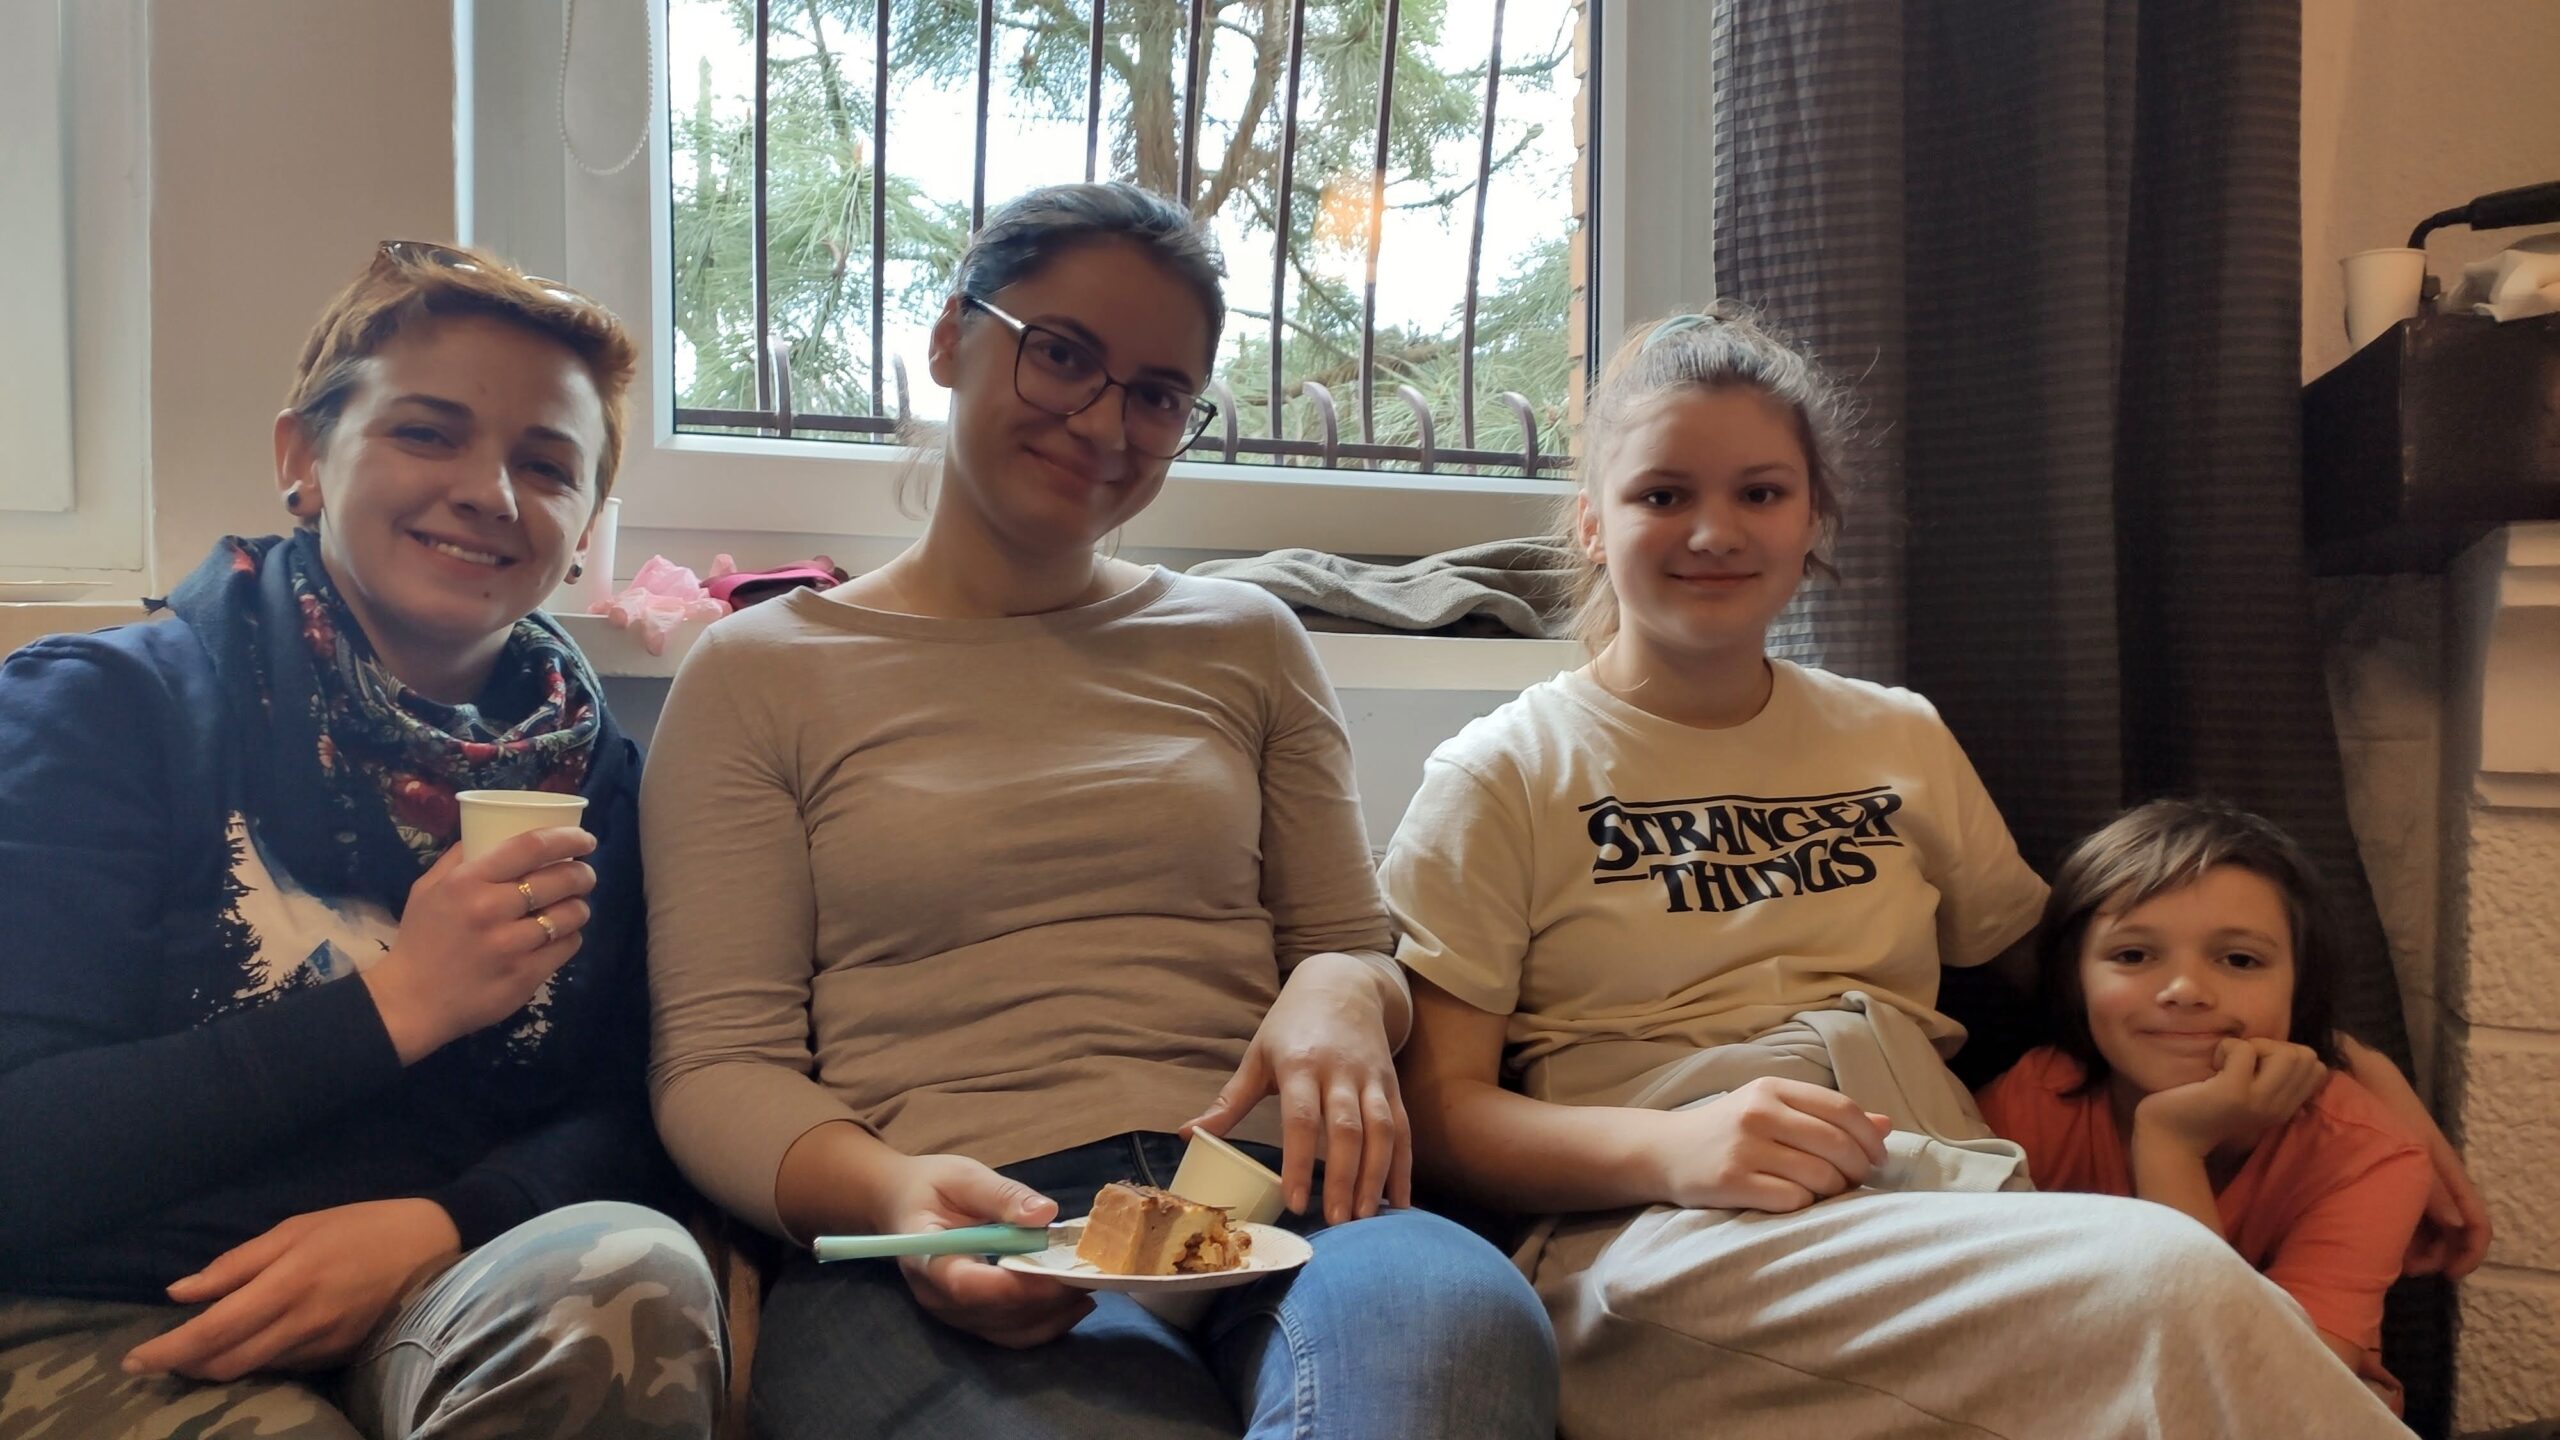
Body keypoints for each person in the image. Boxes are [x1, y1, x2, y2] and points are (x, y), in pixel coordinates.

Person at [1382, 303, 2466, 1438]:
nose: (1713, 531)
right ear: (1593, 525)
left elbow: (2089, 968)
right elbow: (1441, 1112)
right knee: (2169, 1277)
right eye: (1662, 495)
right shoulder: (1504, 771)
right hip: (1664, 1234)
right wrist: (1673, 1147)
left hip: (1945, 1197)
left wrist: (2357, 1076)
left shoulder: (1895, 735)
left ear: (1813, 519)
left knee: (2164, 1311)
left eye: (1760, 493)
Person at [642, 181, 1556, 1440]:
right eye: (1062, 355)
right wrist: (896, 1197)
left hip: (1284, 1203)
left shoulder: (1248, 639)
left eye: (1158, 394)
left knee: (1458, 1337)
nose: (1103, 422)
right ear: (951, 338)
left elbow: (1348, 950)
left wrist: (1348, 987)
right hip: (964, 1228)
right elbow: (717, 1063)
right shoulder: (757, 673)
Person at [0, 241, 722, 1439]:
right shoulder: (101, 709)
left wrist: (445, 1225)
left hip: (442, 1281)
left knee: (633, 1282)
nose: (490, 493)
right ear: (302, 459)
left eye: (546, 465)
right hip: (122, 1302)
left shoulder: (595, 773)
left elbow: (633, 1105)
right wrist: (405, 1002)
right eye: (427, 434)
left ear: (586, 525)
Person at [1977, 798, 2431, 1412]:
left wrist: (2171, 1144)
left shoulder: (2367, 1156)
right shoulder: (2030, 1104)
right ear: (2075, 981)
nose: (2185, 990)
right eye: (2133, 955)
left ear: (2300, 987)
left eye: (2240, 960)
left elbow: (2258, 1399)